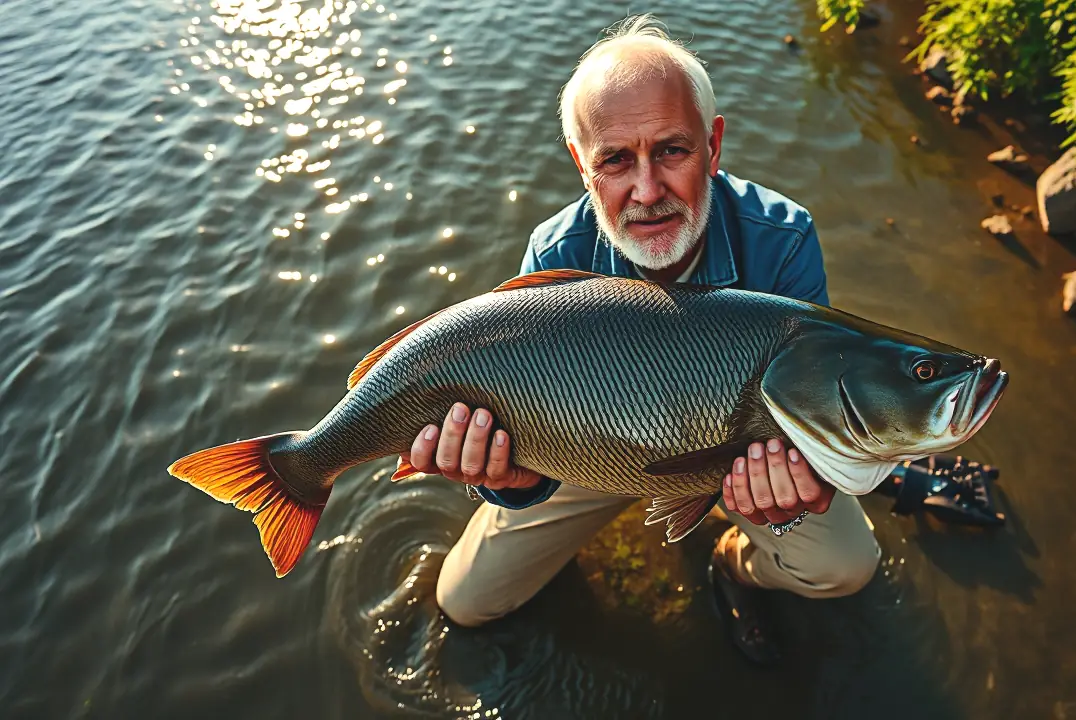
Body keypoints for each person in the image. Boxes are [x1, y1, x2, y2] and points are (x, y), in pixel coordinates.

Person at [401, 14, 1002, 665]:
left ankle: (737, 564)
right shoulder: (554, 253)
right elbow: (525, 459)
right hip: (582, 444)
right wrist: (508, 479)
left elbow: (817, 398)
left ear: (713, 145)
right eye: (615, 160)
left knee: (845, 566)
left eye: (672, 149)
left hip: (740, 451)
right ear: (582, 165)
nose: (647, 189)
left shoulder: (783, 238)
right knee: (465, 604)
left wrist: (802, 493)